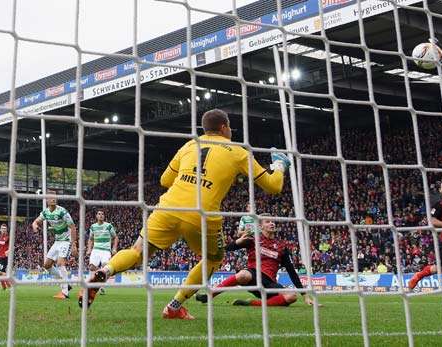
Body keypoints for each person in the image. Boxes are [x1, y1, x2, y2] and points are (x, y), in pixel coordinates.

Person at [79, 108, 290, 319]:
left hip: (168, 207)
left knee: (137, 251)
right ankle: (174, 305)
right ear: (224, 128)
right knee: (214, 259)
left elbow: (164, 181)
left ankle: (104, 272)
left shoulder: (189, 145)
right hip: (201, 214)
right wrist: (279, 165)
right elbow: (273, 186)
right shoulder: (238, 151)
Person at [196, 214, 319, 307]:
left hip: (269, 282)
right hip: (253, 275)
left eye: (273, 222)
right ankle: (209, 296)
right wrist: (237, 242)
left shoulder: (281, 247)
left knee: (291, 297)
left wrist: (305, 296)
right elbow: (226, 249)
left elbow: (292, 272)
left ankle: (252, 303)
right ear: (260, 226)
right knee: (243, 274)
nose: (272, 223)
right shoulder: (253, 239)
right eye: (268, 222)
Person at [32, 190, 78, 299]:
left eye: (55, 197)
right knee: (47, 265)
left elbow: (72, 227)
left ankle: (65, 292)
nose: (53, 198)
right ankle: (66, 284)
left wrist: (74, 244)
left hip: (66, 241)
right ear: (46, 200)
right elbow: (36, 221)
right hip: (57, 241)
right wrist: (34, 225)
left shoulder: (62, 211)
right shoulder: (46, 212)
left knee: (60, 263)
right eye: (50, 197)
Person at [86, 210, 117, 295]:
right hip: (96, 250)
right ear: (96, 216)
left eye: (102, 214)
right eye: (99, 214)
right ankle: (96, 282)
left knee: (105, 266)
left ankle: (102, 287)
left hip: (106, 250)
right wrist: (89, 249)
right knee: (92, 267)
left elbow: (115, 237)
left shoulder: (108, 226)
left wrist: (114, 248)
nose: (101, 215)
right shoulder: (93, 227)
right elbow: (90, 239)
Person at [0, 223, 12, 289]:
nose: (4, 230)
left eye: (5, 229)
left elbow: (12, 246)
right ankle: (4, 285)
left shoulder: (8, 237)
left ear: (6, 230)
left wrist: (8, 250)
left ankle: (10, 285)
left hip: (4, 257)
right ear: (0, 229)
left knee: (2, 271)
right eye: (2, 228)